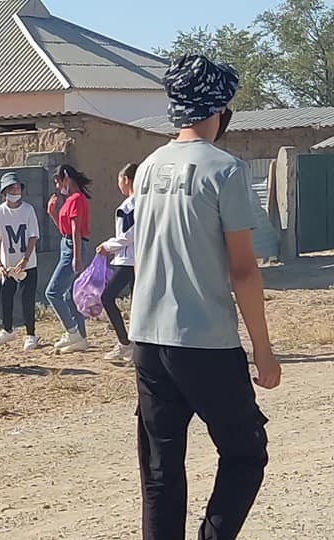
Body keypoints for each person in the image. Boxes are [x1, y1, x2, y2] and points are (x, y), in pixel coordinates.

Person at [130, 54, 282, 540]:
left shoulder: (148, 168)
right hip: (205, 339)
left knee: (160, 470)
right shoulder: (225, 170)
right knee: (245, 452)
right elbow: (243, 270)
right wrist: (262, 349)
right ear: (219, 108)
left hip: (148, 338)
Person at [0, 172, 41, 351]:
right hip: (8, 266)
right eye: (11, 188)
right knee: (5, 296)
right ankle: (7, 329)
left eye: (17, 188)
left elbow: (33, 236)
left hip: (27, 265)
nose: (15, 191)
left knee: (27, 299)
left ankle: (31, 334)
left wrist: (26, 259)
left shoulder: (28, 210)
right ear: (4, 191)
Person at [44, 164, 93, 353]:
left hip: (73, 248)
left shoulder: (76, 199)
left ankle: (72, 332)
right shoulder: (71, 199)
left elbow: (76, 230)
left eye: (58, 182)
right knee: (69, 295)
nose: (57, 187)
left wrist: (76, 257)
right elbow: (65, 231)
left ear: (66, 178)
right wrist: (53, 214)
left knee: (53, 292)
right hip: (68, 245)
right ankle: (80, 337)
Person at [96, 162, 138, 362]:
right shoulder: (146, 203)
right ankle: (135, 345)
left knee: (107, 297)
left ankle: (125, 343)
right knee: (137, 303)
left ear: (126, 180)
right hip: (139, 259)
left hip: (128, 260)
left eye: (119, 181)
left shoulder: (129, 206)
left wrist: (108, 246)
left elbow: (128, 235)